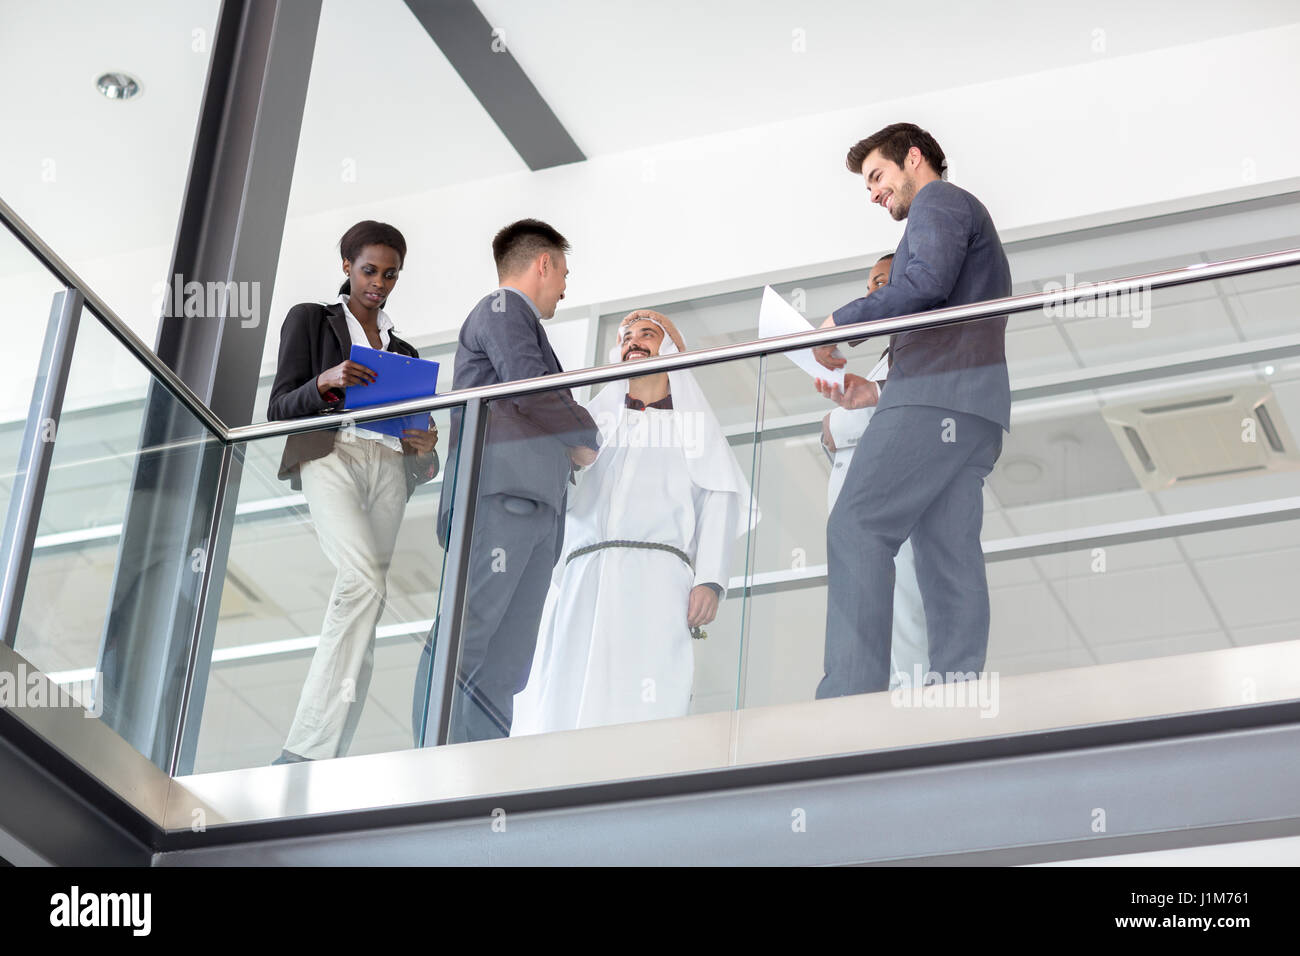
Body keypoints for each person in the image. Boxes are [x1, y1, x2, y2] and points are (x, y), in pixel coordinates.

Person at [811, 123, 1010, 696]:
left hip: (933, 400)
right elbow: (947, 313)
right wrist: (877, 392)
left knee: (856, 524)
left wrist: (838, 323)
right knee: (946, 555)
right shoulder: (963, 217)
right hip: (971, 411)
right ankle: (956, 689)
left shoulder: (939, 201)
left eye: (877, 176)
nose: (873, 192)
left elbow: (924, 283)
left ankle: (850, 694)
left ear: (914, 159)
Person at [512, 311, 754, 734]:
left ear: (671, 350)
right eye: (626, 336)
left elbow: (720, 497)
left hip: (657, 579)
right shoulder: (592, 422)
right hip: (583, 576)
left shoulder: (693, 426)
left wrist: (710, 579)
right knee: (569, 684)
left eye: (648, 334)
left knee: (647, 687)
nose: (633, 341)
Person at [267, 220, 440, 763]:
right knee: (361, 579)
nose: (380, 284)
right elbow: (278, 408)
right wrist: (325, 382)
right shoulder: (312, 320)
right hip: (332, 453)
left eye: (391, 275)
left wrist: (425, 444)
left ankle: (327, 751)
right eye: (370, 271)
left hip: (390, 467)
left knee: (368, 606)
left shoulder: (402, 348)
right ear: (347, 266)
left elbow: (425, 457)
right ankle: (305, 748)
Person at [435, 219, 600, 742]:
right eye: (564, 273)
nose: (565, 286)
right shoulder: (503, 309)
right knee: (468, 636)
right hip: (500, 497)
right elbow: (528, 386)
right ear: (543, 264)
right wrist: (584, 432)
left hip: (534, 508)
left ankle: (480, 766)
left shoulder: (523, 323)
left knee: (509, 660)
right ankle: (432, 751)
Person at [818, 254, 928, 690]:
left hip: (891, 503)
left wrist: (840, 423)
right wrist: (832, 427)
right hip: (857, 507)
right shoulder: (888, 357)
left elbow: (910, 407)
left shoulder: (925, 345)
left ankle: (912, 697)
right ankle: (874, 694)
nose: (872, 295)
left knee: (903, 605)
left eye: (882, 282)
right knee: (864, 606)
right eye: (868, 287)